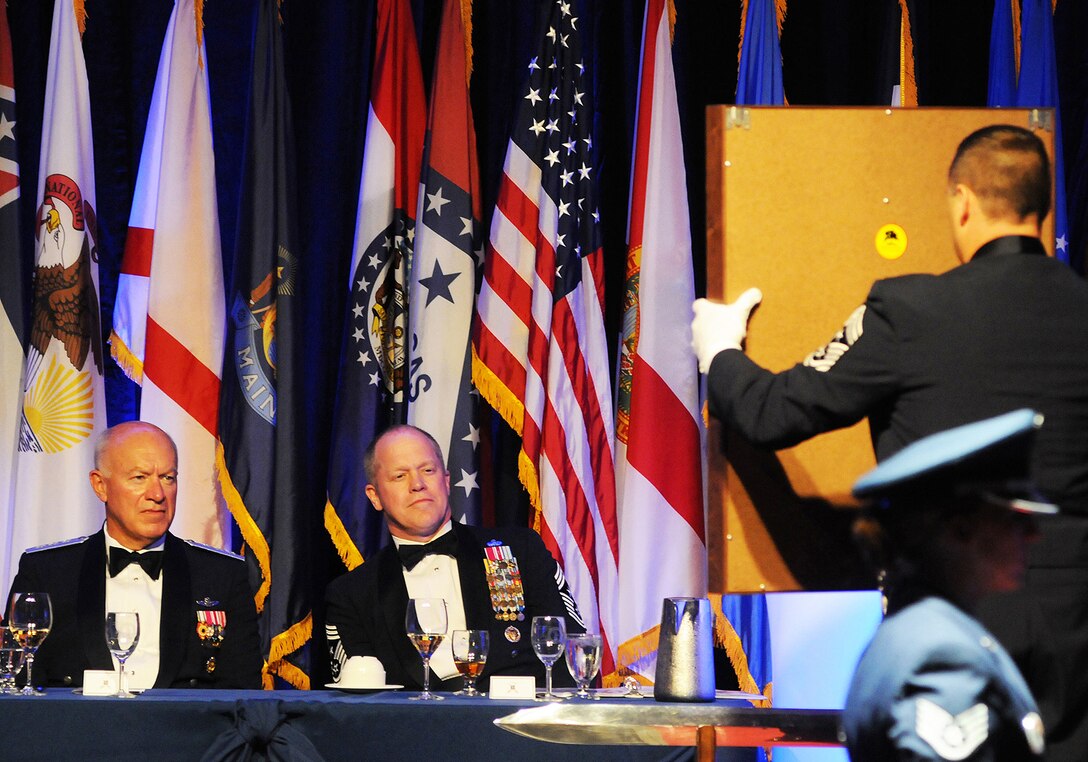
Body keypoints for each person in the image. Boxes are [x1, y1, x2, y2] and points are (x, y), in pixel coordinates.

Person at [691, 125, 1088, 760]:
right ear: (1042, 209)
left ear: (962, 201)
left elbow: (772, 414)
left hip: (955, 629)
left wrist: (721, 353)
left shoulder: (910, 312)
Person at [843, 409, 1052, 761]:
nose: (1033, 536)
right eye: (1015, 519)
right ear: (960, 530)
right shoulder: (941, 655)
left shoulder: (924, 628)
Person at [324, 424, 583, 691]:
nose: (417, 484)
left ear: (446, 482)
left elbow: (571, 654)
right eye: (400, 476)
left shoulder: (521, 550)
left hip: (517, 723)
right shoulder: (352, 594)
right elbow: (356, 699)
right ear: (375, 496)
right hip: (416, 729)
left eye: (428, 470)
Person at [6, 421, 262, 689]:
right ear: (100, 485)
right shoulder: (47, 572)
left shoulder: (221, 574)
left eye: (168, 478)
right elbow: (18, 688)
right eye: (139, 477)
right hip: (79, 729)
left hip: (186, 730)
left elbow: (243, 694)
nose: (157, 494)